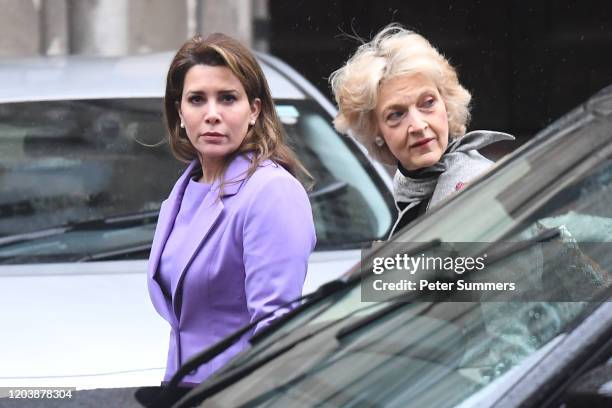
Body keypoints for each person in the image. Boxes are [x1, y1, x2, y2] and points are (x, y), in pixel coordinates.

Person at [146, 33, 316, 386]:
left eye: (227, 98)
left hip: (233, 393)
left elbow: (275, 328)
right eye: (197, 99)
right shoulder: (183, 192)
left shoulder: (271, 191)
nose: (212, 114)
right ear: (179, 111)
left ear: (253, 110)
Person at [330, 24, 514, 237]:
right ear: (375, 132)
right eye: (396, 115)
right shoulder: (408, 185)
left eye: (427, 103)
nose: (418, 126)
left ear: (447, 103)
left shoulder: (477, 186)